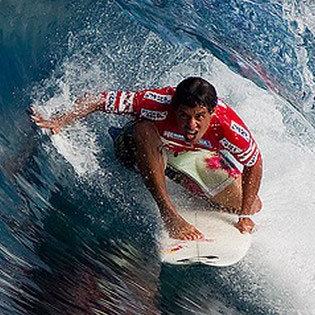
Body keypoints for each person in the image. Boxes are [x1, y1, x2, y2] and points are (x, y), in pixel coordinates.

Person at [31, 76, 262, 241]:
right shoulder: (157, 102)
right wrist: (60, 120)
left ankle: (191, 177)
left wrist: (244, 215)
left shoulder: (228, 127)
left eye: (199, 117)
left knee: (251, 204)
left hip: (186, 155)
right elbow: (98, 99)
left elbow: (255, 161)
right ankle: (169, 213)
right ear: (174, 108)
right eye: (184, 116)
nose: (192, 124)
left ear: (211, 113)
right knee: (143, 130)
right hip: (136, 148)